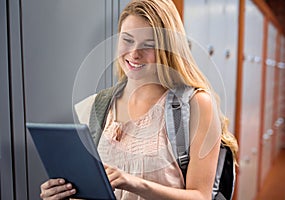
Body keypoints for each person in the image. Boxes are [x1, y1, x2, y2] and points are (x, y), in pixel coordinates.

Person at [40, 0, 238, 199]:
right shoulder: (95, 107)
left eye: (149, 45)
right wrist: (60, 193)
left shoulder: (196, 105)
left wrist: (132, 182)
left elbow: (201, 196)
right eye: (127, 40)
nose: (134, 53)